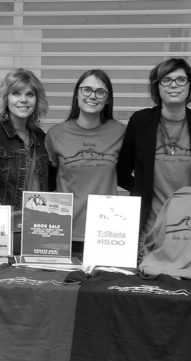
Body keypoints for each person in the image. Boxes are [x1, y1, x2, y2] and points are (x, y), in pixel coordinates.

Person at [116, 58, 191, 255]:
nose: (174, 85)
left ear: (190, 86)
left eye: (181, 80)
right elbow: (121, 172)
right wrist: (142, 189)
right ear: (157, 87)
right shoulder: (141, 122)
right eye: (166, 80)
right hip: (148, 233)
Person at [45, 69, 125, 255]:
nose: (93, 96)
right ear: (77, 94)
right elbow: (47, 185)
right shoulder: (55, 134)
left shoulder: (121, 132)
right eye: (86, 90)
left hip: (106, 233)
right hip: (63, 231)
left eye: (100, 92)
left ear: (108, 98)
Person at [0, 68, 54, 212]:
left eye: (30, 94)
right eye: (16, 93)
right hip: (1, 225)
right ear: (6, 98)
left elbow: (48, 187)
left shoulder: (41, 137)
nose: (23, 99)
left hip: (35, 224)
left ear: (37, 100)